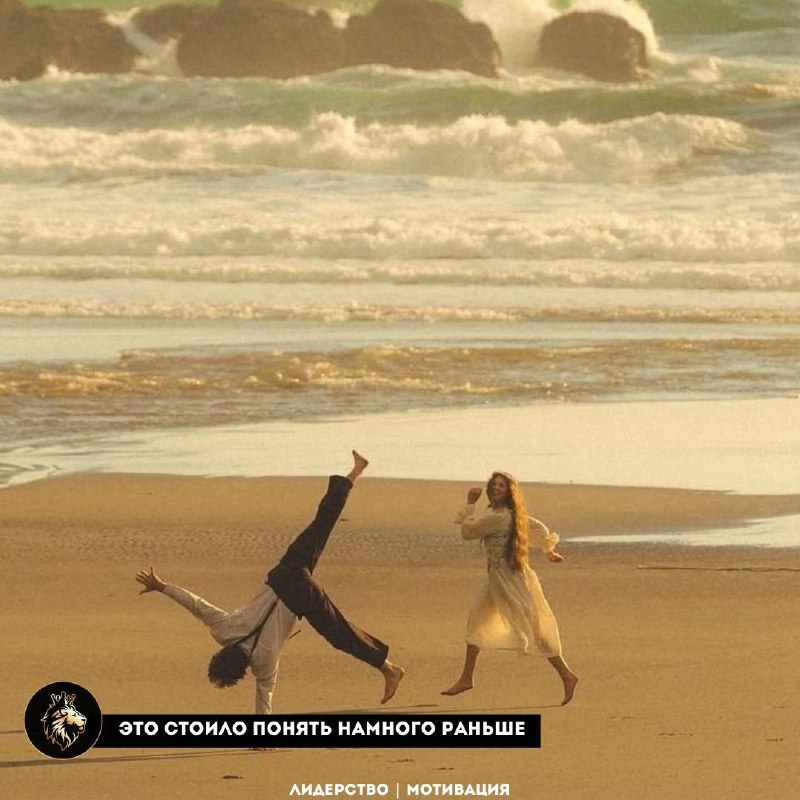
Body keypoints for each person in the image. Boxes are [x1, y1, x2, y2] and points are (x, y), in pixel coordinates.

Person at [136, 450, 404, 716]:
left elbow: (265, 696)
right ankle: (355, 471)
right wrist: (161, 586)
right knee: (322, 523)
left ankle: (389, 669)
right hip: (286, 573)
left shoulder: (262, 664)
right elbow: (196, 605)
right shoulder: (224, 631)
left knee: (341, 635)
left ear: (242, 672)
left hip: (304, 596)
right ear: (222, 652)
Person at [441, 470, 579, 705]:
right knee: (476, 623)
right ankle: (466, 678)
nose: (496, 488)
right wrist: (548, 551)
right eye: (494, 485)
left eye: (501, 486)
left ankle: (567, 675)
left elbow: (468, 531)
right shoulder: (503, 514)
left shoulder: (501, 517)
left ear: (508, 492)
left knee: (535, 629)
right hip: (496, 580)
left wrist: (470, 503)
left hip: (512, 581)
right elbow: (538, 528)